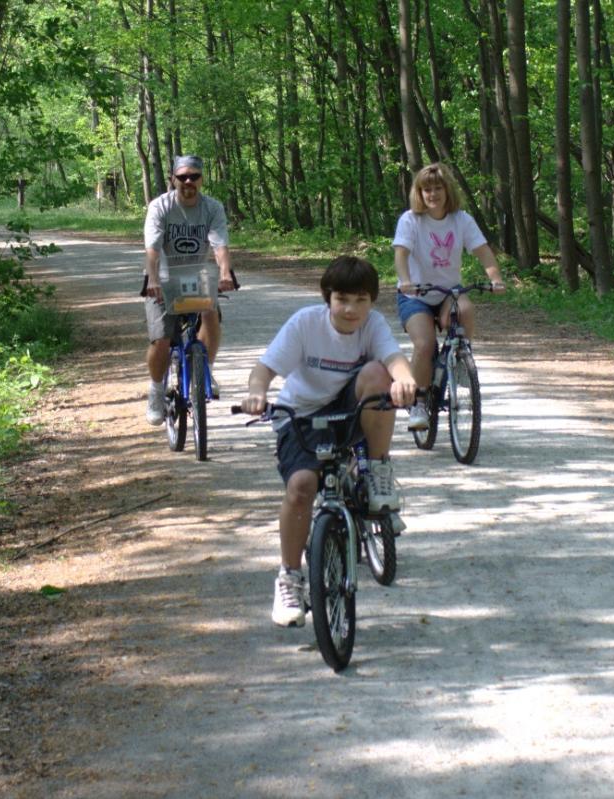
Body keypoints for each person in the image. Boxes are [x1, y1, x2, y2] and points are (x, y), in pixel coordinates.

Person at [240, 256, 417, 627]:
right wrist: (257, 393)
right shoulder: (306, 323)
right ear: (328, 298)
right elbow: (265, 368)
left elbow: (394, 358)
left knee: (376, 375)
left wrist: (405, 381)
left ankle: (377, 473)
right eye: (342, 299)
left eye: (361, 300)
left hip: (348, 413)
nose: (351, 309)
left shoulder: (373, 326)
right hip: (302, 417)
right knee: (302, 486)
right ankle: (289, 577)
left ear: (371, 302)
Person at [392, 163, 505, 431]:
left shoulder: (461, 219)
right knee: (425, 343)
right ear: (419, 193)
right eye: (426, 189)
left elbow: (483, 251)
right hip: (415, 295)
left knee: (465, 310)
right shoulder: (410, 220)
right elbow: (401, 254)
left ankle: (461, 359)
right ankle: (418, 403)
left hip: (448, 292)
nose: (432, 194)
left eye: (438, 188)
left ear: (447, 190)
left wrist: (495, 278)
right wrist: (405, 280)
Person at [143, 154, 237, 425]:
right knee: (161, 339)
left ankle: (204, 369)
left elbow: (220, 246)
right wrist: (152, 280)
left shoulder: (212, 208)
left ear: (202, 179)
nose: (188, 181)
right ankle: (157, 389)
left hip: (195, 274)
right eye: (182, 177)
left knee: (210, 312)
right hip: (161, 276)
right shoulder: (160, 206)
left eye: (194, 176)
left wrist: (224, 273)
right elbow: (151, 249)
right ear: (173, 179)